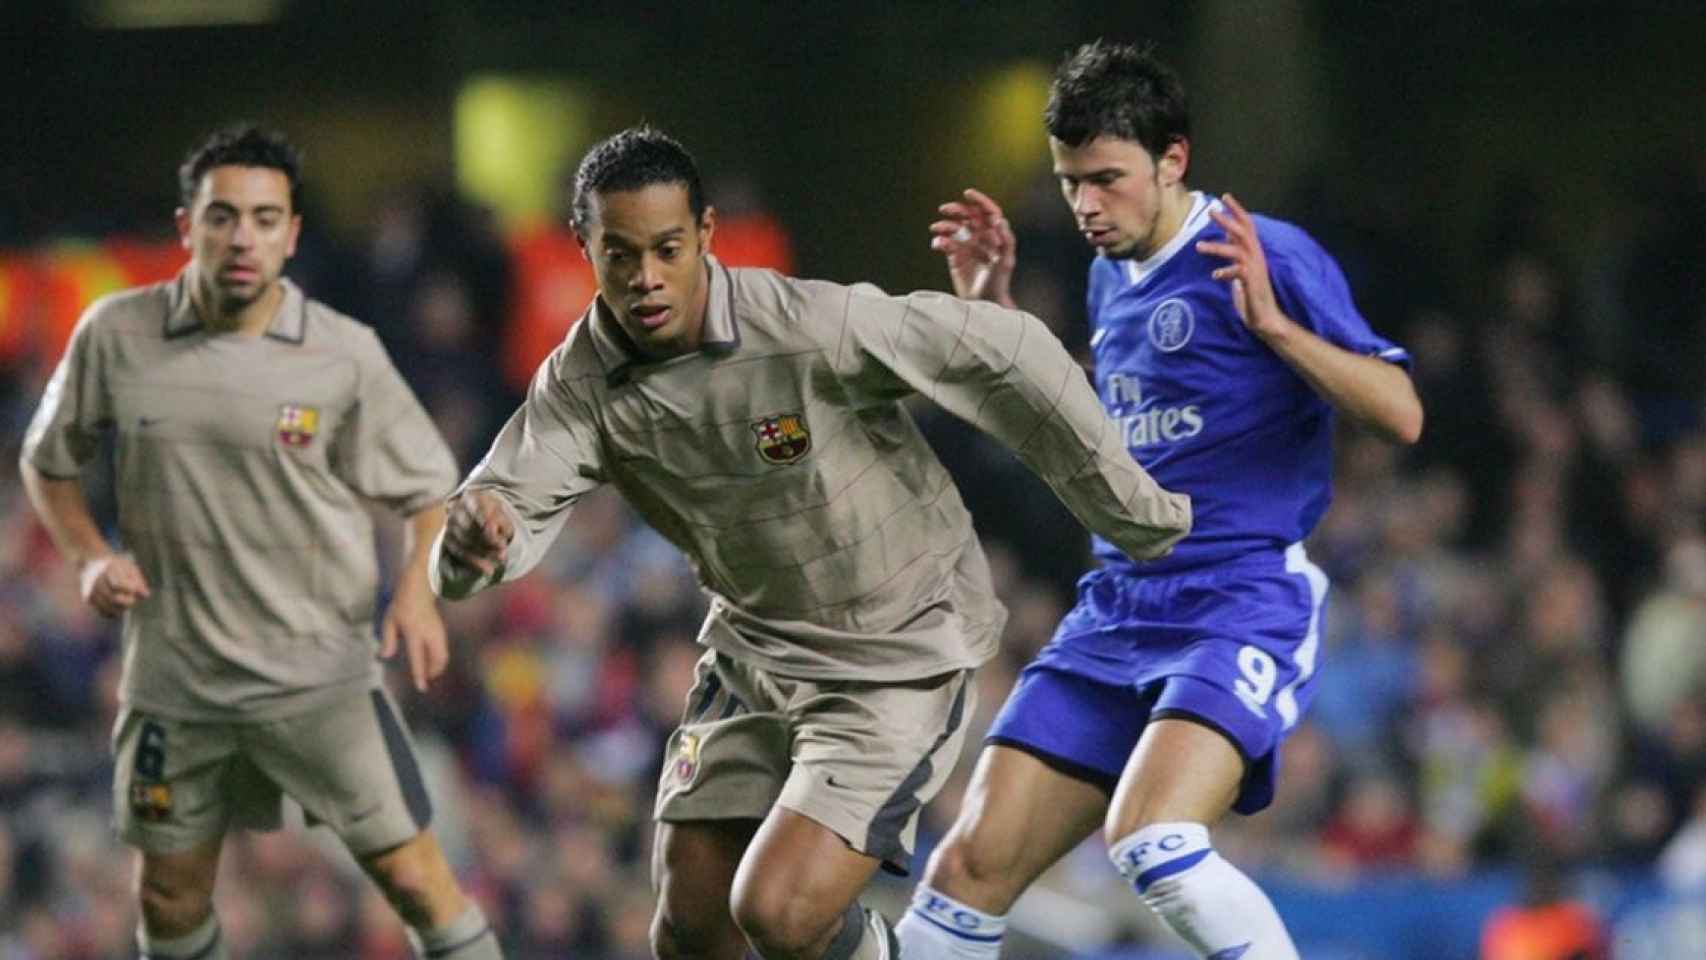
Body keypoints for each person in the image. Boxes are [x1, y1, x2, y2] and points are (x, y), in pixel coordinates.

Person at [429, 125, 1192, 960]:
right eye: (619, 255)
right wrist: (476, 543)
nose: (646, 278)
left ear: (707, 236)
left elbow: (1008, 351)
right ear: (584, 246)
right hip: (754, 653)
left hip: (894, 651)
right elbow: (501, 503)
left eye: (668, 249)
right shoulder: (578, 383)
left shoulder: (804, 328)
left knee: (781, 912)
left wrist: (1137, 515)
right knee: (689, 930)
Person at [899, 40, 1423, 960]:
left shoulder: (1263, 253)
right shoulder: (1110, 276)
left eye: (1108, 179)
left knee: (1153, 842)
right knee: (965, 868)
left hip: (1237, 598)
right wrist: (998, 316)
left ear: (1173, 158)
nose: (1087, 206)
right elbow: (1101, 438)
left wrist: (1274, 328)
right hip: (1117, 607)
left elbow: (1402, 414)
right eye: (1071, 184)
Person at [18, 125, 501, 960]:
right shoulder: (116, 335)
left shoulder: (343, 355)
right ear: (186, 227)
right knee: (168, 899)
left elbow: (429, 487)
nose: (244, 236)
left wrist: (419, 593)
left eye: (265, 218)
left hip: (319, 676)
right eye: (224, 216)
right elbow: (46, 461)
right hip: (178, 677)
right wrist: (90, 554)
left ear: (292, 234)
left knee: (420, 879)